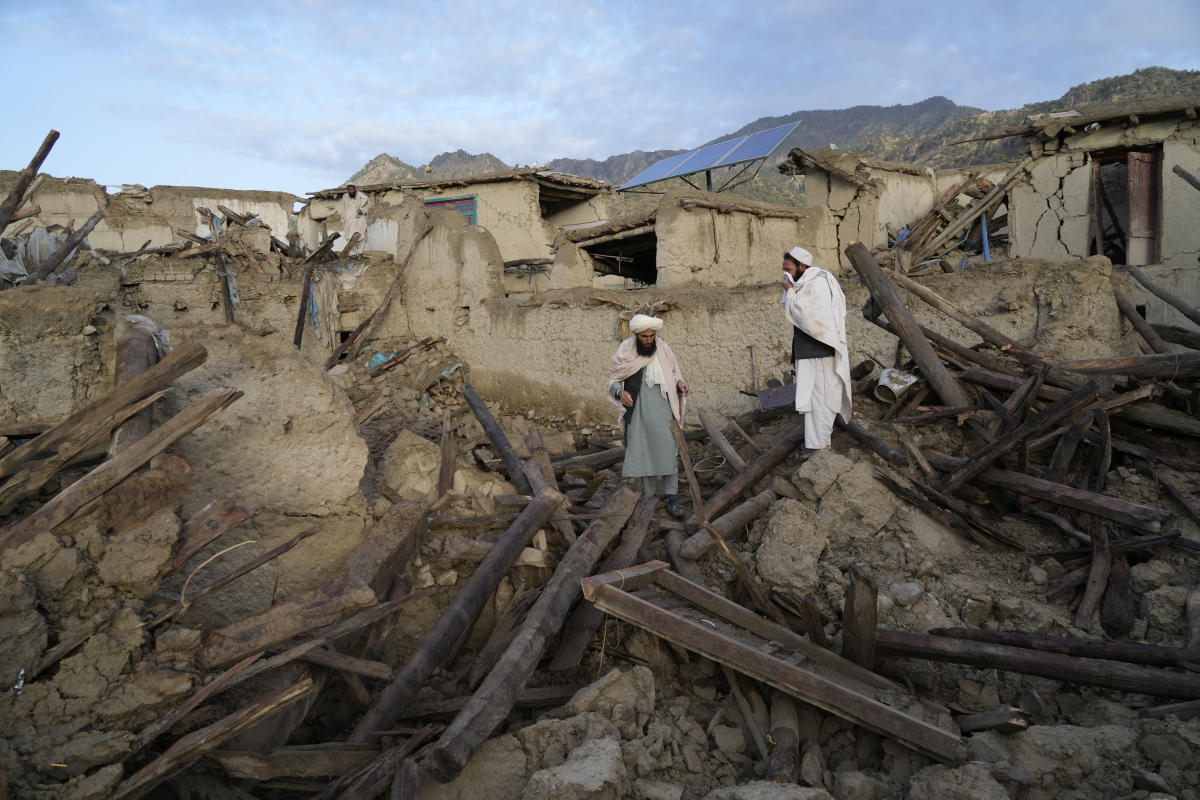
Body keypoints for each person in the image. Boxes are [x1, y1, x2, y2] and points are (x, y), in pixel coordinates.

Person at [607, 314, 690, 517]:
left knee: (668, 449)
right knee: (644, 451)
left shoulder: (663, 348)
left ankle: (672, 497)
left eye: (652, 336)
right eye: (645, 337)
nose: (649, 340)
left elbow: (674, 373)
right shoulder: (626, 350)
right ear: (636, 334)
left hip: (663, 407)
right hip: (638, 410)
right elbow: (613, 379)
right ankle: (650, 497)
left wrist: (679, 383)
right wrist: (620, 392)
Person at [780, 246, 852, 449]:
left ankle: (822, 446)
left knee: (822, 400)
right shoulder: (804, 284)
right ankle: (817, 447)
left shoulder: (818, 282)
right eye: (784, 269)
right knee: (812, 401)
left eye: (790, 269)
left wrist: (790, 291)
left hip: (820, 354)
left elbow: (807, 316)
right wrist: (791, 291)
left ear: (802, 266)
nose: (786, 274)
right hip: (809, 354)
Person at [340, 183, 368, 255]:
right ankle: (352, 254)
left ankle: (360, 253)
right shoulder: (345, 197)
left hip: (360, 219)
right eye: (349, 190)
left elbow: (367, 207)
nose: (351, 191)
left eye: (352, 189)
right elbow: (342, 209)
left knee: (361, 236)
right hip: (349, 220)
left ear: (354, 188)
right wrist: (342, 219)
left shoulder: (362, 196)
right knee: (350, 236)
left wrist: (362, 210)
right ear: (347, 190)